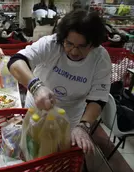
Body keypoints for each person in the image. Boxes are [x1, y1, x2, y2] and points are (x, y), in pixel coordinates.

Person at [8, 9, 111, 154]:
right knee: (32, 149)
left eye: (82, 47)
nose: (74, 52)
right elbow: (15, 62)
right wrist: (36, 87)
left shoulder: (100, 58)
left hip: (70, 118)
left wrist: (83, 126)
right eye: (69, 44)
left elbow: (98, 98)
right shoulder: (51, 44)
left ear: (93, 45)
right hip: (37, 110)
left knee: (58, 154)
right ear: (62, 38)